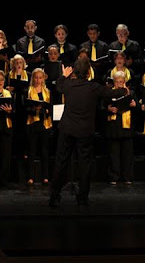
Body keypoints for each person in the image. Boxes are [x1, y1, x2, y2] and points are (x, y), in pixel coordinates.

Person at [48, 58, 127, 207]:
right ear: (89, 72)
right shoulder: (93, 87)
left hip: (67, 129)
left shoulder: (68, 84)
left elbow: (58, 86)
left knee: (61, 162)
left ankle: (54, 196)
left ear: (74, 71)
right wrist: (124, 90)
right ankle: (82, 198)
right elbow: (111, 93)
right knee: (84, 164)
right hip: (84, 131)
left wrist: (64, 75)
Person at [103, 71, 137, 185]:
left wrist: (134, 105)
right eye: (117, 82)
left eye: (121, 82)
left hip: (127, 127)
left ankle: (127, 176)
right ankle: (114, 176)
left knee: (128, 154)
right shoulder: (109, 93)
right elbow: (101, 107)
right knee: (114, 154)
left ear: (124, 82)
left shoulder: (130, 93)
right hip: (114, 126)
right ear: (114, 83)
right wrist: (108, 109)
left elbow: (137, 109)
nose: (119, 84)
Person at [25, 68, 53, 185]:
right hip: (33, 123)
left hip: (45, 123)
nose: (38, 80)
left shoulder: (47, 91)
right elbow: (25, 107)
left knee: (44, 151)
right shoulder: (29, 91)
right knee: (32, 151)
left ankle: (45, 176)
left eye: (40, 78)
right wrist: (34, 109)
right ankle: (31, 177)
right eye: (36, 77)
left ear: (43, 79)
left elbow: (50, 106)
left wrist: (46, 110)